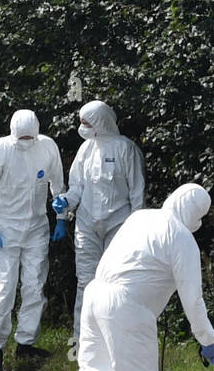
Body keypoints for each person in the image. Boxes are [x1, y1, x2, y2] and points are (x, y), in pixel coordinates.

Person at [51, 184, 214, 371]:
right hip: (128, 307)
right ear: (194, 213)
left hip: (95, 295)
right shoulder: (181, 238)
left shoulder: (140, 217)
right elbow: (193, 299)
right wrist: (207, 338)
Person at [0, 110, 66, 371]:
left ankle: (26, 343)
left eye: (30, 137)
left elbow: (57, 183)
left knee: (35, 285)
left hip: (36, 226)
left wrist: (61, 215)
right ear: (13, 133)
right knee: (4, 287)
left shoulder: (47, 147)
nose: (26, 142)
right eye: (22, 137)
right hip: (5, 227)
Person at [52, 100, 146, 346]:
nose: (82, 127)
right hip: (86, 224)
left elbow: (137, 193)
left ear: (100, 122)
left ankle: (117, 339)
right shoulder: (86, 150)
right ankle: (83, 339)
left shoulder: (126, 149)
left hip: (120, 225)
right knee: (86, 282)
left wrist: (138, 229)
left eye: (86, 122)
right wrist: (65, 203)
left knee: (118, 282)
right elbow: (77, 188)